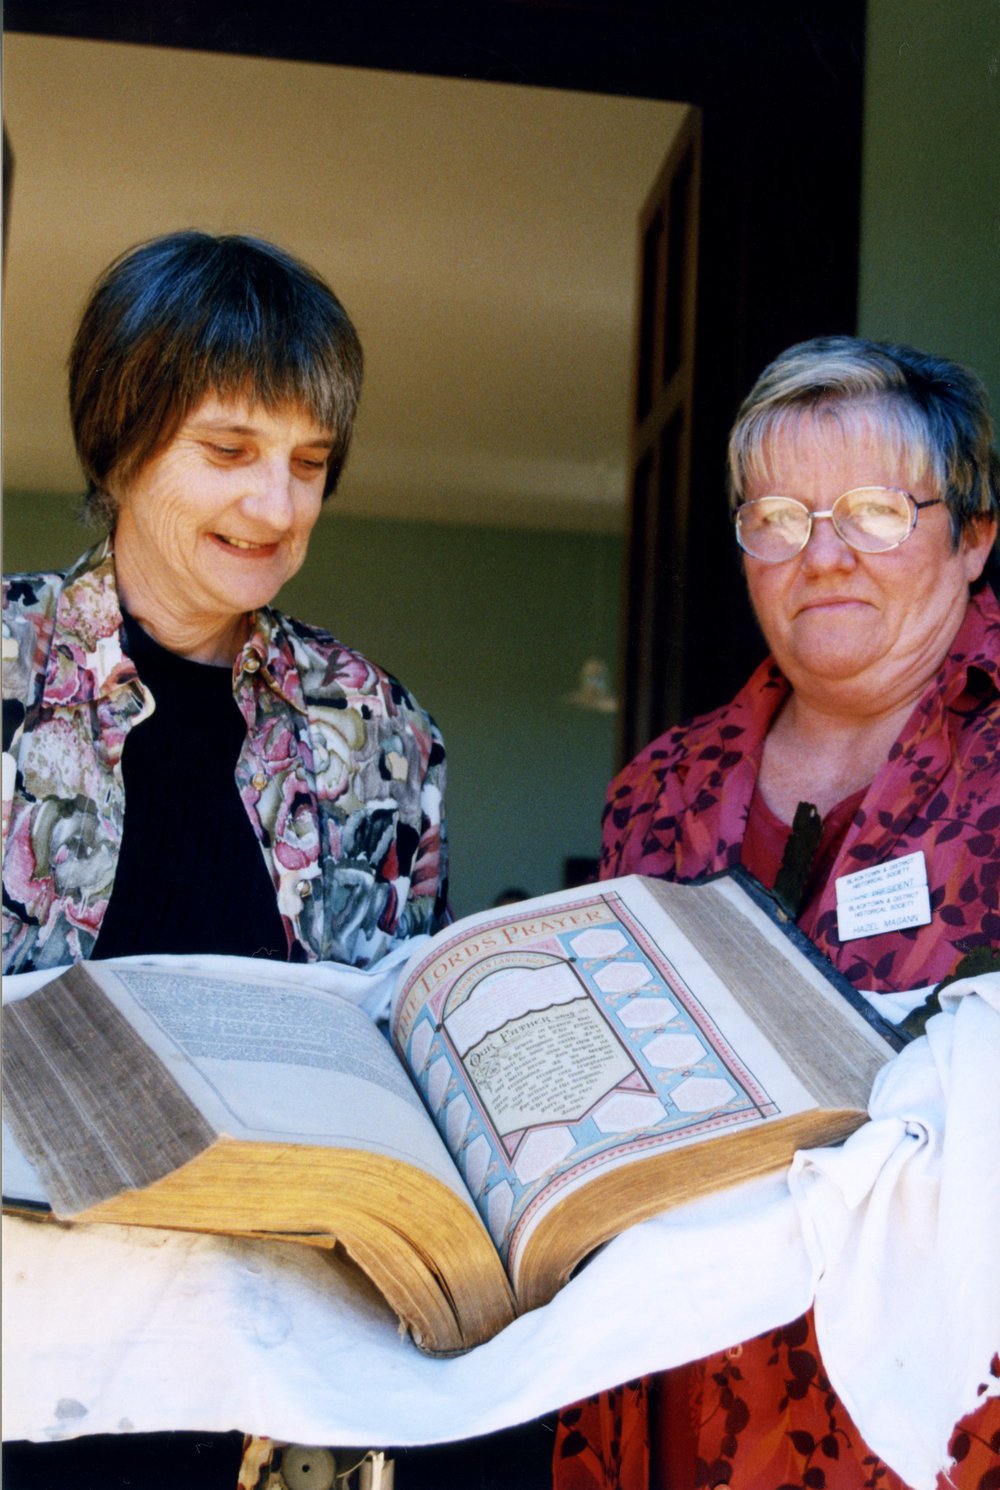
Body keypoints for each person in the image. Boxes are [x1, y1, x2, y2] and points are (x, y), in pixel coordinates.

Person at [2, 231, 449, 1487]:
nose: (278, 506)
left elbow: (405, 1068)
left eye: (309, 463)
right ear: (122, 437)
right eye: (230, 451)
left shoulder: (380, 735)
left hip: (273, 1392)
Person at [552, 336, 1000, 1490]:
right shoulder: (658, 789)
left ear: (973, 536)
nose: (822, 552)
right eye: (778, 516)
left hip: (938, 1416)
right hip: (671, 1384)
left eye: (872, 511)